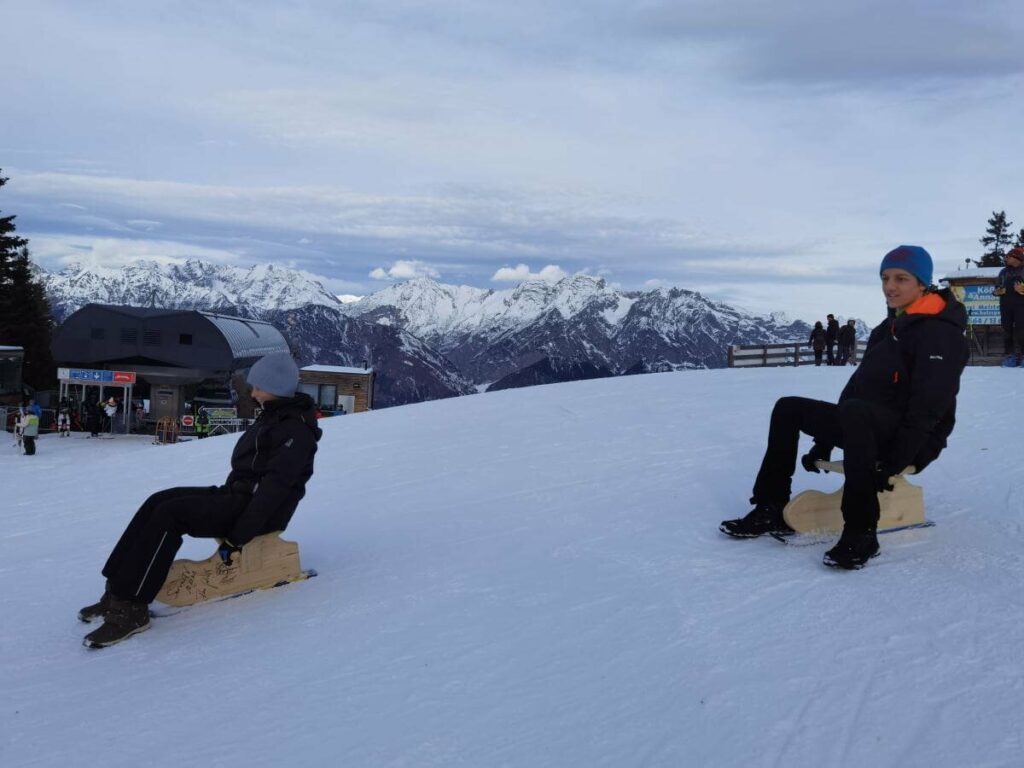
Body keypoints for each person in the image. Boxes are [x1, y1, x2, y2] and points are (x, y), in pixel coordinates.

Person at [720, 245, 968, 569]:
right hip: (865, 424)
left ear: (922, 283)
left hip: (914, 439)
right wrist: (823, 440)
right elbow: (856, 386)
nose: (889, 286)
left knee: (857, 412)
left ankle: (862, 532)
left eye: (901, 278)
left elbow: (929, 408)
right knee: (788, 408)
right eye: (885, 278)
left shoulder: (940, 333)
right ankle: (769, 506)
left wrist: (893, 462)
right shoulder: (888, 328)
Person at [79, 352, 322, 648]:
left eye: (259, 386)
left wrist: (237, 539)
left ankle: (132, 608)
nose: (253, 392)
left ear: (276, 388)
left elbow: (274, 491)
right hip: (237, 496)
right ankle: (116, 591)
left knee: (171, 515)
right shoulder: (275, 415)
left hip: (255, 513)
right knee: (158, 500)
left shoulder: (295, 431)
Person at [993, 246, 1024, 367]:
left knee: (1022, 331)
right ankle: (1010, 356)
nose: (1006, 259)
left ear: (1016, 258)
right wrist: (997, 291)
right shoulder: (1004, 272)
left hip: (1021, 306)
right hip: (1006, 306)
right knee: (1007, 331)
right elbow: (996, 288)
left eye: (1008, 257)